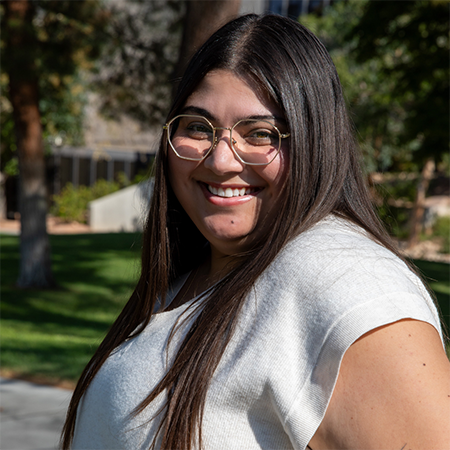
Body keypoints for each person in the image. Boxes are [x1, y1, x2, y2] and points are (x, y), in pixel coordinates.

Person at [61, 14, 450, 450]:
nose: (221, 160)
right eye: (196, 126)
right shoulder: (198, 273)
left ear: (314, 140)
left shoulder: (345, 280)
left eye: (260, 133)